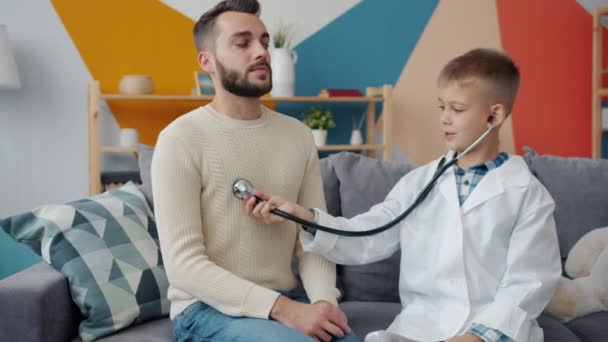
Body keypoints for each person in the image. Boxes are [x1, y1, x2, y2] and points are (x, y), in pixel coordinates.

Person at [246, 48, 562, 342]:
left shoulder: (528, 195)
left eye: (457, 109)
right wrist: (306, 218)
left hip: (495, 332)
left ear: (494, 116)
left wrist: (478, 336)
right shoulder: (418, 182)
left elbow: (528, 282)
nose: (444, 118)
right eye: (442, 106)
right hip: (420, 328)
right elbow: (367, 235)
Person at [151, 0, 358, 341]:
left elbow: (311, 239)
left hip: (287, 300)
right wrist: (285, 310)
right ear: (207, 62)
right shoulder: (180, 138)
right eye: (242, 43)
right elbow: (184, 266)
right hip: (206, 310)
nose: (261, 51)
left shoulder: (298, 135)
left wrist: (322, 306)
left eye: (264, 41)